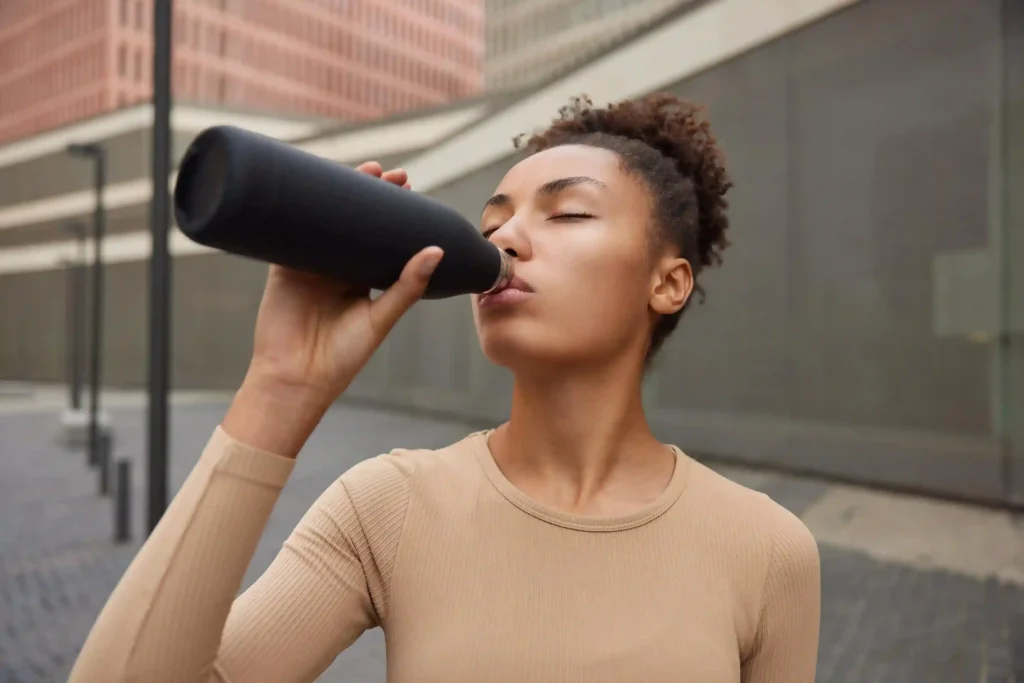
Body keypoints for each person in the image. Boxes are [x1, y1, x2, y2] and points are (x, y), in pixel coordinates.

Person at [69, 93, 820, 683]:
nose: (504, 240)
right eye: (492, 222)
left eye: (568, 212)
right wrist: (280, 386)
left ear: (668, 281)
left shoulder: (766, 549)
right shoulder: (387, 509)